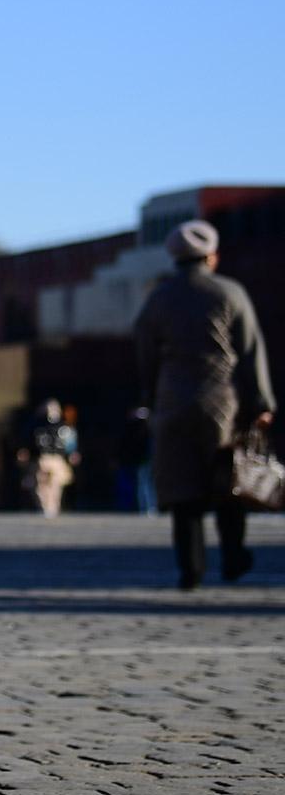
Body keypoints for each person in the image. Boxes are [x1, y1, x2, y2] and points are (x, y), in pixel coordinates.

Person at [134, 219, 276, 590]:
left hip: (173, 398)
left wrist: (150, 396)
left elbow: (146, 354)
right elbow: (250, 350)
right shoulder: (229, 293)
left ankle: (190, 568)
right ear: (210, 256)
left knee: (182, 490)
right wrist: (261, 400)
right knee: (226, 480)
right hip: (222, 400)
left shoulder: (159, 297)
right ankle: (232, 555)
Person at [20, 399, 79, 517]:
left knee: (55, 484)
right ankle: (44, 507)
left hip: (57, 458)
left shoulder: (64, 427)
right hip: (41, 458)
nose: (51, 412)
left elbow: (70, 443)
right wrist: (25, 451)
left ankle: (53, 507)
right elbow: (28, 440)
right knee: (40, 484)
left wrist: (72, 453)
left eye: (54, 409)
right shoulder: (36, 425)